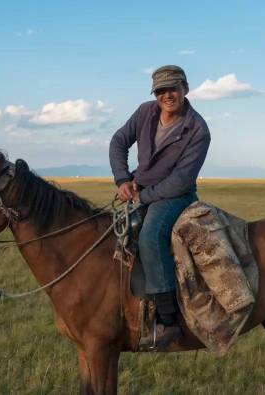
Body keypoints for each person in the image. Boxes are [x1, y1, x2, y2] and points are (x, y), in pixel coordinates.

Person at [109, 65, 211, 346]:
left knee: (151, 235)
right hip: (141, 190)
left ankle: (167, 321)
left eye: (173, 88)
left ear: (185, 89)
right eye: (161, 91)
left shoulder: (198, 129)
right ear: (155, 95)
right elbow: (119, 141)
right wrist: (122, 179)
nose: (168, 95)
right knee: (115, 231)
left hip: (175, 196)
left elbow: (181, 180)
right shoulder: (145, 112)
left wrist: (143, 196)